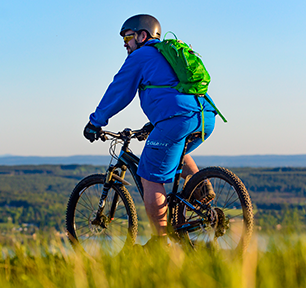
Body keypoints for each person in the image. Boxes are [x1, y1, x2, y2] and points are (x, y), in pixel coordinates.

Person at [83, 14, 217, 244]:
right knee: (177, 152)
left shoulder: (142, 55)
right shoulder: (166, 53)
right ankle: (202, 193)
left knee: (150, 178)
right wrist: (154, 124)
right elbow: (173, 91)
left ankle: (160, 242)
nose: (125, 43)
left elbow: (119, 91)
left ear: (142, 35)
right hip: (205, 115)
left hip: (177, 119)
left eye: (127, 36)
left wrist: (96, 122)